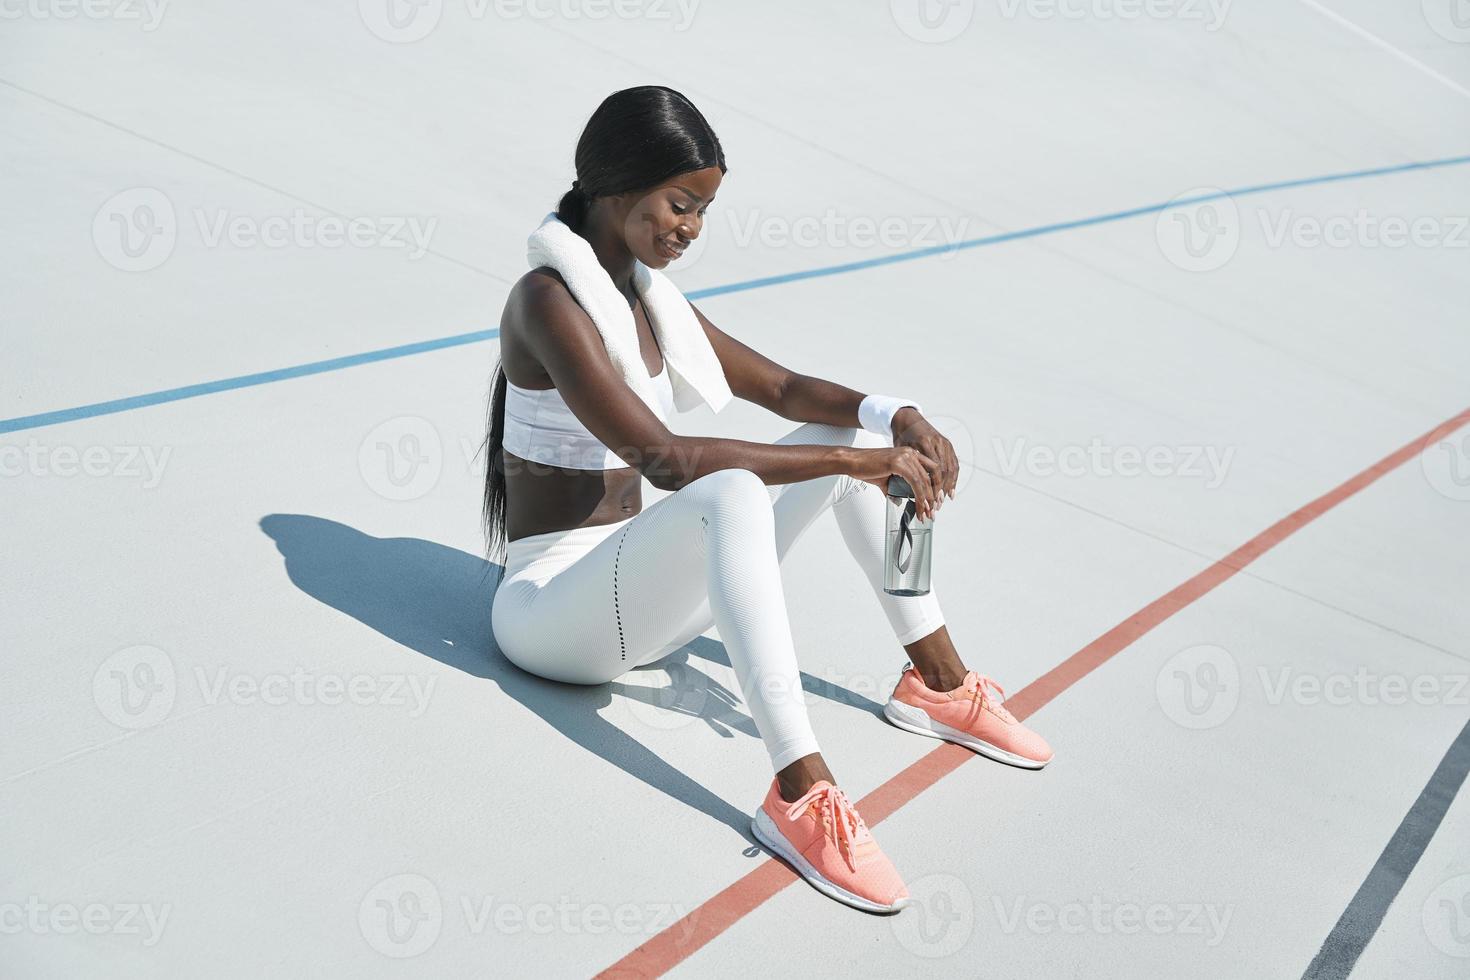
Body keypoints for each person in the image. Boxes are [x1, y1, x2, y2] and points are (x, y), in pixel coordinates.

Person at [485, 85, 1052, 914]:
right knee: (735, 496)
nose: (691, 231)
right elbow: (666, 459)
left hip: (630, 606)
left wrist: (893, 416)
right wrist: (852, 466)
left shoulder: (644, 297)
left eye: (704, 211)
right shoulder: (548, 301)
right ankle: (801, 792)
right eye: (681, 205)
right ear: (614, 185)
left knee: (860, 446)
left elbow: (782, 387)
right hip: (548, 618)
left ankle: (936, 681)